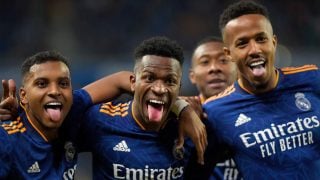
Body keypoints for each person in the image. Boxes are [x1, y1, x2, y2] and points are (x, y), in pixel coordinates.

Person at [187, 0, 320, 179]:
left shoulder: (312, 79)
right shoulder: (216, 112)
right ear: (229, 54)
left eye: (261, 39)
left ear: (273, 42)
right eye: (242, 43)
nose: (254, 50)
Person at [77, 36, 203, 179]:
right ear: (133, 82)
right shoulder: (100, 120)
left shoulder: (190, 127)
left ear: (178, 88)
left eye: (170, 81)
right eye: (149, 78)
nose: (160, 89)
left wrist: (186, 109)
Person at [0, 51, 134, 179]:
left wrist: (149, 91)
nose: (55, 91)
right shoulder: (7, 141)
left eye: (63, 84)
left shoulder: (73, 108)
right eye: (42, 84)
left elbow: (120, 79)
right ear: (24, 95)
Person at [189, 36, 241, 180]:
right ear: (192, 76)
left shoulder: (257, 115)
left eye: (223, 60)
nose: (214, 68)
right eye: (205, 62)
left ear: (238, 69)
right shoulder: (182, 117)